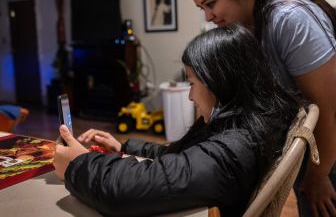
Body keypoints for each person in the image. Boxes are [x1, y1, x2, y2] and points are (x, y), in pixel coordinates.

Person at [183, 0, 336, 216]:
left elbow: (334, 109)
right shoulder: (244, 22)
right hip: (312, 119)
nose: (208, 16)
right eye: (202, 8)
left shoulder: (290, 18)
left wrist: (319, 175)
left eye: (211, 3)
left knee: (318, 206)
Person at [53, 25, 301, 217]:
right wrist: (125, 147)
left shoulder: (232, 151)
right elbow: (186, 161)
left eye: (192, 83)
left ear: (220, 82)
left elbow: (124, 191)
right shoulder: (251, 124)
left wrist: (77, 165)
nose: (191, 96)